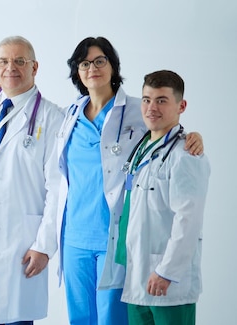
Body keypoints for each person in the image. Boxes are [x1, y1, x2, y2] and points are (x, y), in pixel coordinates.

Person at [55, 37, 204, 325]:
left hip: (113, 235)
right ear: (77, 71)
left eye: (100, 60)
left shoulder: (139, 109)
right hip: (74, 238)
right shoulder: (68, 115)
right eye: (84, 63)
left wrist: (194, 136)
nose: (92, 68)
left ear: (113, 66)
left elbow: (168, 129)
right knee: (80, 319)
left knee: (112, 319)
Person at [0, 36, 63, 325]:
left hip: (21, 226)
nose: (10, 68)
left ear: (35, 67)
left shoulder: (52, 117)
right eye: (4, 61)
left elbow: (58, 188)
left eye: (20, 61)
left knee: (17, 310)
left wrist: (44, 245)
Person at [116, 70, 210, 325]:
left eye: (161, 100)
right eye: (146, 99)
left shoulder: (186, 155)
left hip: (169, 284)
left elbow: (188, 221)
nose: (151, 107)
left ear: (181, 106)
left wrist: (166, 271)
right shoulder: (142, 148)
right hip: (138, 281)